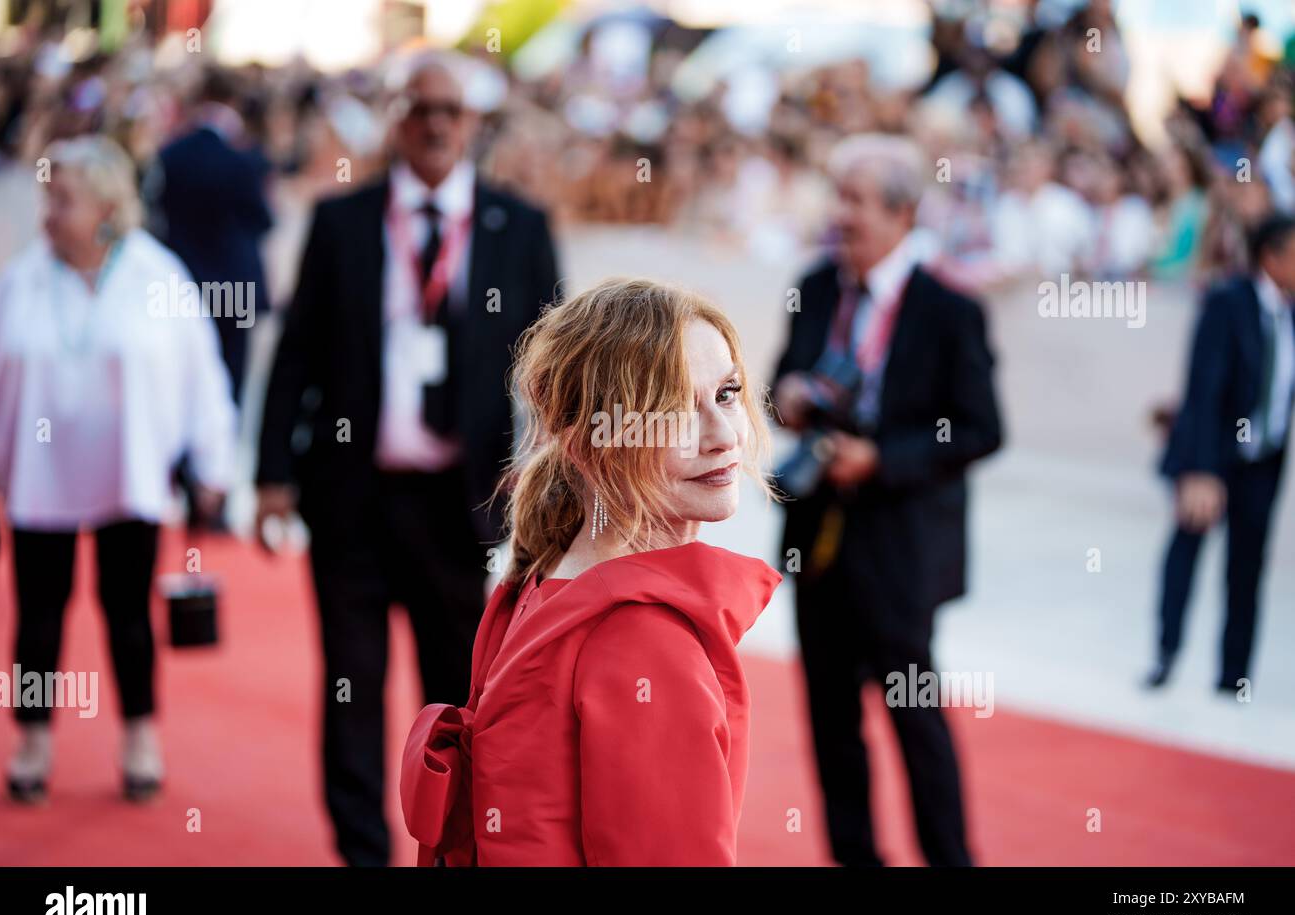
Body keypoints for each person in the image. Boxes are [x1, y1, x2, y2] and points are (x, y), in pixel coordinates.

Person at [255, 55, 561, 867]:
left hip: (461, 506)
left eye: (451, 112)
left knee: (459, 698)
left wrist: (559, 484)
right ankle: (362, 852)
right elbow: (296, 354)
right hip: (351, 494)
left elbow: (557, 370)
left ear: (472, 126)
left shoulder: (517, 226)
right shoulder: (342, 220)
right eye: (420, 108)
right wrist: (270, 474)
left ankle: (453, 846)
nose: (435, 124)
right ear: (396, 120)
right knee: (351, 685)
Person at [400, 278, 782, 866]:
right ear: (587, 444)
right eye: (675, 410)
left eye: (726, 393)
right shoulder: (644, 639)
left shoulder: (539, 582)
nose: (724, 436)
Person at [772, 134, 1003, 866]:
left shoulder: (947, 309)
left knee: (913, 717)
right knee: (829, 721)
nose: (841, 215)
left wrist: (882, 460)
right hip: (816, 540)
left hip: (900, 548)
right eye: (837, 197)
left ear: (902, 213)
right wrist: (789, 399)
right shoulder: (816, 286)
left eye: (857, 201)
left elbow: (981, 429)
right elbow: (782, 380)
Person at [0, 135, 237, 802]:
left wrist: (212, 461)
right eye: (48, 197)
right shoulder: (22, 278)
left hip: (129, 472)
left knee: (126, 611)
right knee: (38, 615)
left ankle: (139, 735)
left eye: (62, 199)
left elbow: (202, 376)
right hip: (39, 473)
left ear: (105, 203)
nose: (47, 212)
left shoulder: (157, 276)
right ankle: (34, 739)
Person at [1149, 213, 1295, 693]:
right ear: (1271, 255)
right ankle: (1166, 655)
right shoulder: (1228, 302)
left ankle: (1234, 677)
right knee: (1186, 552)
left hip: (1263, 461)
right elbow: (1203, 390)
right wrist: (1200, 470)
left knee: (1247, 564)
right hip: (1213, 457)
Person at [149, 66, 273, 403]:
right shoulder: (244, 157)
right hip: (234, 285)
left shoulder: (171, 153)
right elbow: (261, 220)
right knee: (229, 382)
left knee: (184, 380)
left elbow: (157, 215)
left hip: (183, 281)